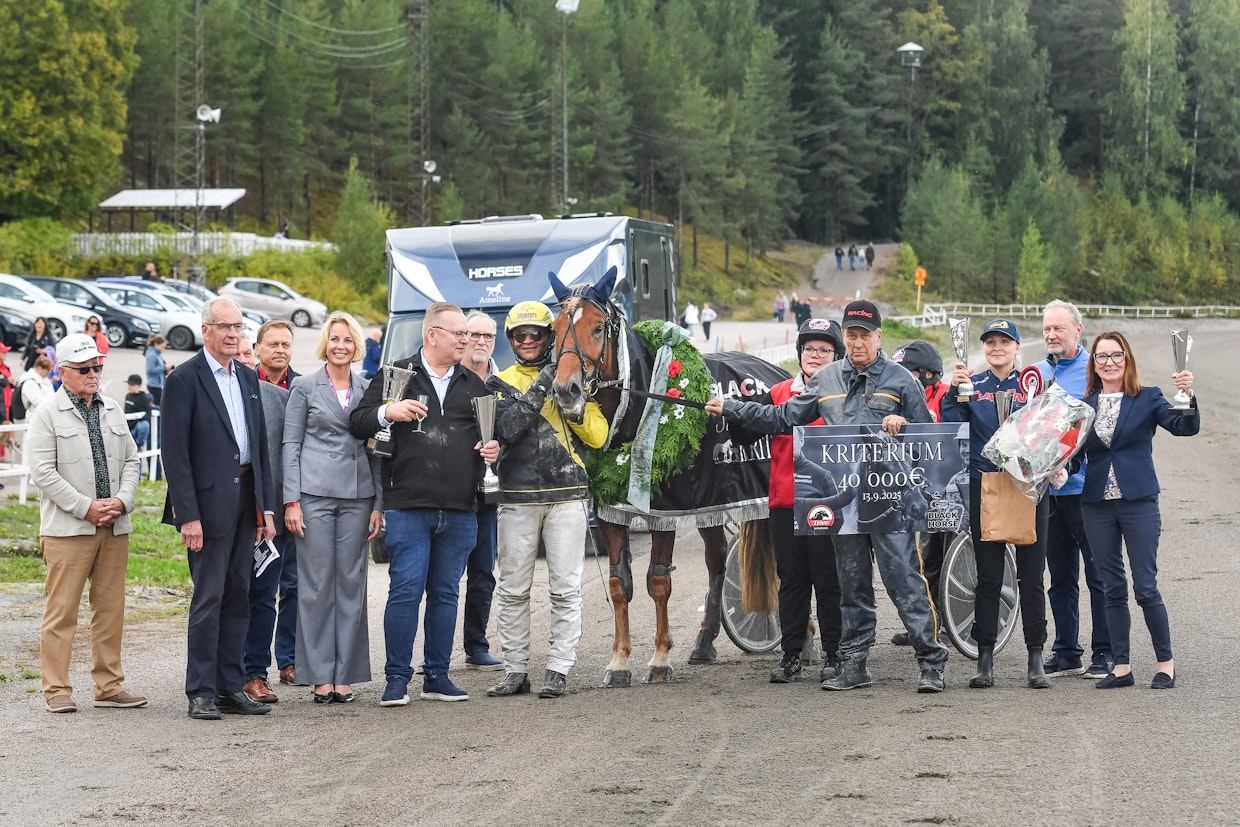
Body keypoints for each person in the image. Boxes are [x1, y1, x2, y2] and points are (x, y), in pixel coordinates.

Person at [706, 299, 949, 693]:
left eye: (865, 335)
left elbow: (929, 440)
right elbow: (782, 418)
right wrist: (734, 408)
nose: (857, 342)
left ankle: (931, 662)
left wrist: (904, 425)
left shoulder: (902, 380)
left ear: (879, 337)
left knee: (904, 580)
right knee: (852, 586)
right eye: (851, 335)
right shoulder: (827, 379)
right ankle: (855, 664)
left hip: (889, 500)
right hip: (845, 501)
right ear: (845, 338)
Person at [348, 302, 500, 705]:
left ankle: (437, 677)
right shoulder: (396, 374)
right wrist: (388, 411)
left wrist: (493, 450)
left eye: (468, 334)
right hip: (408, 504)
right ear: (432, 334)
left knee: (446, 593)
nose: (466, 340)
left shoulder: (475, 385)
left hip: (461, 508)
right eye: (459, 333)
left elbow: (491, 437)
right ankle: (397, 679)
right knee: (405, 592)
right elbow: (358, 422)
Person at [161, 297, 277, 720]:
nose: (232, 334)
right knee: (209, 598)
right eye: (224, 326)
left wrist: (265, 509)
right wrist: (187, 516)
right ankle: (201, 690)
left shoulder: (247, 376)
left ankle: (230, 686)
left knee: (239, 598)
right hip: (206, 508)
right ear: (206, 330)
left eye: (238, 327)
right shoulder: (183, 379)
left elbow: (259, 448)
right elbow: (174, 455)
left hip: (245, 503)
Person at [484, 302, 608, 700]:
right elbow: (507, 429)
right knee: (513, 590)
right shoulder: (498, 382)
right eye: (520, 335)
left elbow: (599, 437)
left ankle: (558, 668)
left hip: (567, 497)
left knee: (565, 589)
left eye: (536, 334)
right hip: (517, 498)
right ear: (510, 340)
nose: (528, 341)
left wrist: (573, 405)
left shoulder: (572, 377)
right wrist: (543, 384)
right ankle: (515, 670)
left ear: (549, 337)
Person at [25, 333, 144, 713]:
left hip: (114, 527)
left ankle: (109, 686)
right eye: (84, 369)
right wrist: (85, 507)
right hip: (68, 531)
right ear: (62, 372)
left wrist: (122, 501)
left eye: (97, 366)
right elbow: (42, 472)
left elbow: (132, 460)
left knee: (110, 610)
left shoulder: (112, 408)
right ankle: (57, 689)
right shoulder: (46, 413)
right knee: (62, 612)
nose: (93, 373)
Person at [1080, 331, 1198, 690]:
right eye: (1102, 357)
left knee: (1145, 587)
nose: (1109, 362)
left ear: (1127, 359)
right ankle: (1121, 667)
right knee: (1112, 587)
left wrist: (1187, 396)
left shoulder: (1147, 397)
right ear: (1094, 364)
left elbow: (1184, 428)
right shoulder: (1083, 405)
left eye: (1116, 355)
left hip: (1139, 503)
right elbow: (1074, 455)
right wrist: (1054, 467)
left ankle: (1165, 665)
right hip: (1096, 505)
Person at [940, 319, 1051, 689]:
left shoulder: (1034, 383)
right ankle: (984, 656)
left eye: (1005, 341)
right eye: (990, 342)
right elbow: (951, 423)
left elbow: (1051, 432)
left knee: (1031, 576)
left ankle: (1036, 655)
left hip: (1029, 487)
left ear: (1017, 347)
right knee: (988, 575)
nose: (997, 348)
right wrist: (953, 391)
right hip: (985, 484)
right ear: (984, 348)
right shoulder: (973, 386)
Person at [284, 313, 382, 704]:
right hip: (314, 495)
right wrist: (291, 500)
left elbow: (377, 449)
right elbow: (291, 445)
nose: (341, 346)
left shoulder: (369, 388)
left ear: (357, 346)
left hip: (358, 496)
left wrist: (379, 504)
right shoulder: (304, 387)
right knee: (315, 586)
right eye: (335, 338)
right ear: (325, 343)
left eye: (348, 339)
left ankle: (346, 676)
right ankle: (319, 675)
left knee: (352, 585)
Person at [1033, 300, 1112, 679]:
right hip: (1048, 493)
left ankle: (1106, 651)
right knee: (1060, 577)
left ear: (1078, 331)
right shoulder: (1035, 373)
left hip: (1088, 490)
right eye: (1047, 328)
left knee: (1099, 575)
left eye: (1059, 328)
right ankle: (1067, 651)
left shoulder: (1094, 370)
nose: (1051, 334)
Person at [765, 318, 845, 685]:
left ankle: (835, 654)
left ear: (836, 356)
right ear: (799, 353)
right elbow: (750, 424)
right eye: (809, 349)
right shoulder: (778, 392)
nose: (815, 355)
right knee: (792, 581)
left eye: (824, 350)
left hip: (827, 503)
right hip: (785, 502)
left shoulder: (845, 393)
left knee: (828, 579)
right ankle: (791, 655)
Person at [244, 320, 302, 696]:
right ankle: (254, 669)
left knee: (295, 586)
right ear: (258, 349)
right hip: (256, 507)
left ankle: (290, 659)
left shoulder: (303, 388)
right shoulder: (244, 386)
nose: (280, 350)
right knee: (260, 591)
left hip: (294, 503)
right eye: (273, 344)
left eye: (286, 344)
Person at [890, 339, 950, 644]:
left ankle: (951, 621)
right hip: (913, 489)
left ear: (928, 374)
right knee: (923, 561)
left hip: (946, 491)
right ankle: (928, 623)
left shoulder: (946, 395)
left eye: (907, 373)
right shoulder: (895, 399)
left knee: (943, 557)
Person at [459, 310, 503, 670]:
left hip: (488, 493)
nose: (480, 341)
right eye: (474, 334)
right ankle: (434, 653)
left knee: (483, 571)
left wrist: (501, 447)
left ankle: (476, 645)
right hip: (449, 491)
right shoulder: (447, 380)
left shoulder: (504, 384)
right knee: (441, 577)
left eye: (487, 336)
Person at [15, 356, 55, 421]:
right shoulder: (30, 382)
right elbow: (37, 402)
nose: (48, 374)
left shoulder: (44, 380)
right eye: (47, 371)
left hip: (46, 416)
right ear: (39, 368)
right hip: (35, 418)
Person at [123, 374, 152, 448]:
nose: (129, 387)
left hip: (136, 428)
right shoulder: (128, 396)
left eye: (132, 385)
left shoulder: (143, 398)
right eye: (128, 384)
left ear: (139, 386)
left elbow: (148, 413)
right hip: (127, 428)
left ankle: (139, 445)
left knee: (144, 425)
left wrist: (137, 418)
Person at [144, 336, 167, 406]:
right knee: (158, 405)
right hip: (154, 385)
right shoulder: (152, 355)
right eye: (162, 346)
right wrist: (164, 367)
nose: (163, 349)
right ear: (156, 344)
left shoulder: (157, 354)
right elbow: (150, 370)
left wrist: (165, 370)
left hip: (158, 384)